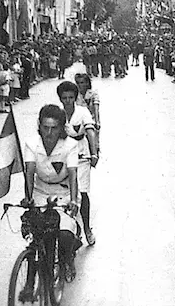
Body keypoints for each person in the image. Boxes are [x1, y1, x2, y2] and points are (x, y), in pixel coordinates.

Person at [22, 105, 82, 292]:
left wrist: (73, 200)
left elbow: (73, 173)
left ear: (61, 128)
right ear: (39, 125)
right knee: (36, 235)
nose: (49, 133)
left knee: (64, 234)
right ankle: (30, 283)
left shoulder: (70, 145)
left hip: (63, 193)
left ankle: (66, 259)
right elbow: (29, 172)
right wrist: (28, 197)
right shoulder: (32, 144)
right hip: (40, 192)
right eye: (45, 127)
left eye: (54, 128)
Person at [57, 81, 99, 246]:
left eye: (71, 97)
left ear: (75, 98)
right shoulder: (57, 113)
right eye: (64, 98)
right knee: (66, 194)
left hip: (81, 157)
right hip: (63, 158)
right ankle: (70, 229)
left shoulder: (82, 112)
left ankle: (87, 228)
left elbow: (90, 131)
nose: (67, 101)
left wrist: (94, 152)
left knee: (82, 192)